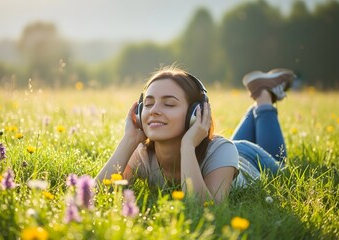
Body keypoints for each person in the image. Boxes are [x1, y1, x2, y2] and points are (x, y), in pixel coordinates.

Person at [96, 66, 295, 204]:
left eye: (169, 103)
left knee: (284, 170)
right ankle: (259, 100)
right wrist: (129, 139)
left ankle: (263, 98)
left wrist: (187, 146)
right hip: (226, 151)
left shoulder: (222, 151)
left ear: (195, 113)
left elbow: (206, 209)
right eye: (148, 104)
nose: (154, 110)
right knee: (230, 144)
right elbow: (96, 194)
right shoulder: (141, 155)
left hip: (247, 157)